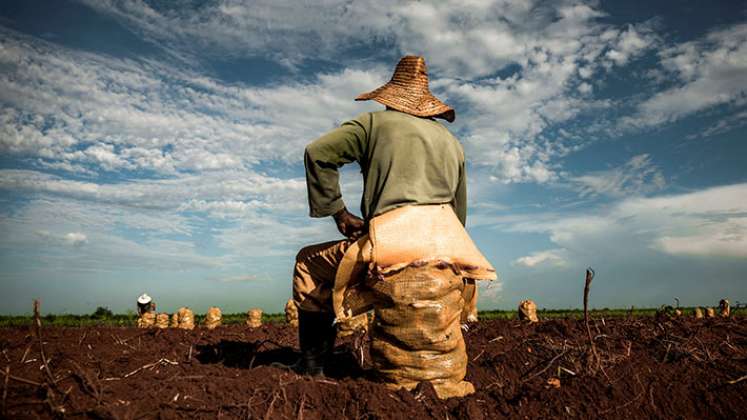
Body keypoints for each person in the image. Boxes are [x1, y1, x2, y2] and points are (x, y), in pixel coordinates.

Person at [292, 55, 487, 376]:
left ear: (389, 98)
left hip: (392, 244)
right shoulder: (453, 143)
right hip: (447, 244)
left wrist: (339, 213)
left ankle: (312, 367)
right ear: (427, 105)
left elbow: (318, 153)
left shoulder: (372, 124)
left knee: (306, 264)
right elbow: (458, 212)